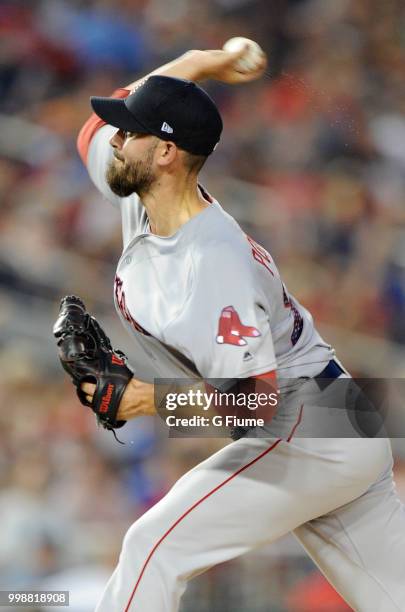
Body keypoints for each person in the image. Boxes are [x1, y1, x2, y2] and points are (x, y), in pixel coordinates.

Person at [77, 47, 405, 612]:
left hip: (309, 428)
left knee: (152, 546)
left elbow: (253, 407)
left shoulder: (214, 263)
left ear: (166, 153)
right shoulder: (146, 198)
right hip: (334, 422)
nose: (115, 139)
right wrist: (197, 63)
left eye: (129, 133)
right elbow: (91, 131)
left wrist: (144, 400)